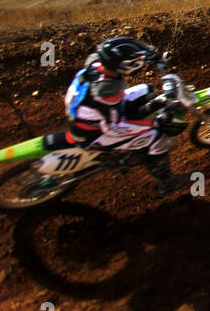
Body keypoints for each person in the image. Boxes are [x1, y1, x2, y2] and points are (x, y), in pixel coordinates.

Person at [45, 37, 192, 196]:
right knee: (155, 135)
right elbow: (114, 128)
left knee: (147, 89)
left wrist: (151, 56)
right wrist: (156, 122)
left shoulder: (96, 62)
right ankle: (168, 182)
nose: (138, 62)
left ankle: (152, 108)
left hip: (90, 112)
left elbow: (121, 52)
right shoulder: (107, 92)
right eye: (135, 60)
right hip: (95, 133)